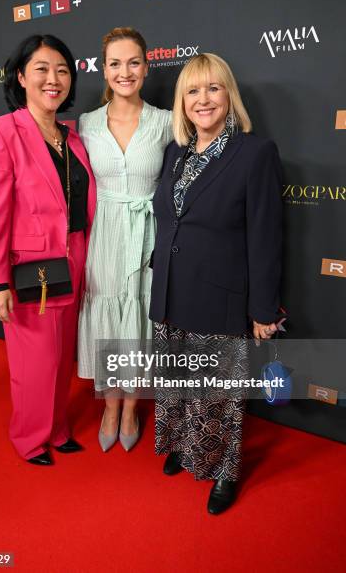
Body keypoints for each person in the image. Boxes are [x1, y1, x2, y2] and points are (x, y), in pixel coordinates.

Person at [149, 53, 283, 513]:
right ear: (181, 102)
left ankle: (225, 472)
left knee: (217, 395)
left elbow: (266, 236)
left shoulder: (254, 154)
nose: (202, 100)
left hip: (220, 297)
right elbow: (170, 221)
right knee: (177, 384)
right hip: (169, 292)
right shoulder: (174, 152)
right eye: (192, 91)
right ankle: (184, 448)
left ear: (229, 95)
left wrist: (264, 308)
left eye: (212, 89)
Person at [0, 34, 96, 465]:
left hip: (75, 259)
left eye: (62, 70)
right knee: (33, 362)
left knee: (61, 357)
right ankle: (29, 437)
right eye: (42, 69)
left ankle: (58, 428)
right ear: (21, 76)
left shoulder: (73, 136)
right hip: (30, 269)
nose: (53, 78)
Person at [77, 27, 173, 451]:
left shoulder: (168, 122)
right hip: (104, 233)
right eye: (115, 63)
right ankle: (110, 404)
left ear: (147, 67)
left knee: (139, 314)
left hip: (148, 231)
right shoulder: (86, 123)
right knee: (107, 314)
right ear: (104, 68)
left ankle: (131, 405)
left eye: (133, 62)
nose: (125, 71)